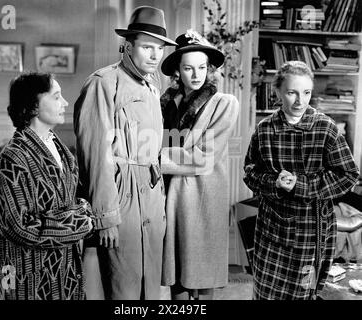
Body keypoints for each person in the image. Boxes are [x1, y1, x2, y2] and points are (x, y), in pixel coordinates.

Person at [73, 6, 177, 300]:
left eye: (159, 48)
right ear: (128, 46)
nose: (155, 55)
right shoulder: (104, 83)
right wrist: (106, 216)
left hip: (152, 198)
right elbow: (95, 155)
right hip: (123, 196)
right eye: (147, 47)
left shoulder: (152, 87)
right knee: (124, 288)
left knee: (151, 288)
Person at [243, 60, 360, 300]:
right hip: (271, 230)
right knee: (266, 294)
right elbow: (250, 172)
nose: (300, 101)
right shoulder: (264, 129)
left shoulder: (326, 128)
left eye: (306, 92)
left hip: (311, 231)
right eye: (291, 92)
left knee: (303, 295)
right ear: (277, 92)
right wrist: (273, 182)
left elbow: (349, 175)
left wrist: (301, 185)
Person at [0, 72, 94, 300]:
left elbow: (76, 199)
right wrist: (81, 221)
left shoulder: (59, 149)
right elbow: (20, 227)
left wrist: (78, 212)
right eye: (56, 97)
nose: (65, 103)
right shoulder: (11, 160)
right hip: (26, 274)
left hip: (65, 270)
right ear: (33, 105)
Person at [160, 30, 239, 300]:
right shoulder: (165, 103)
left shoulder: (224, 104)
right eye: (188, 68)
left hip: (204, 196)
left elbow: (203, 157)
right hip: (173, 195)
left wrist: (152, 158)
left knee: (203, 278)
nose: (197, 74)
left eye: (203, 67)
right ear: (177, 72)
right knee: (177, 278)